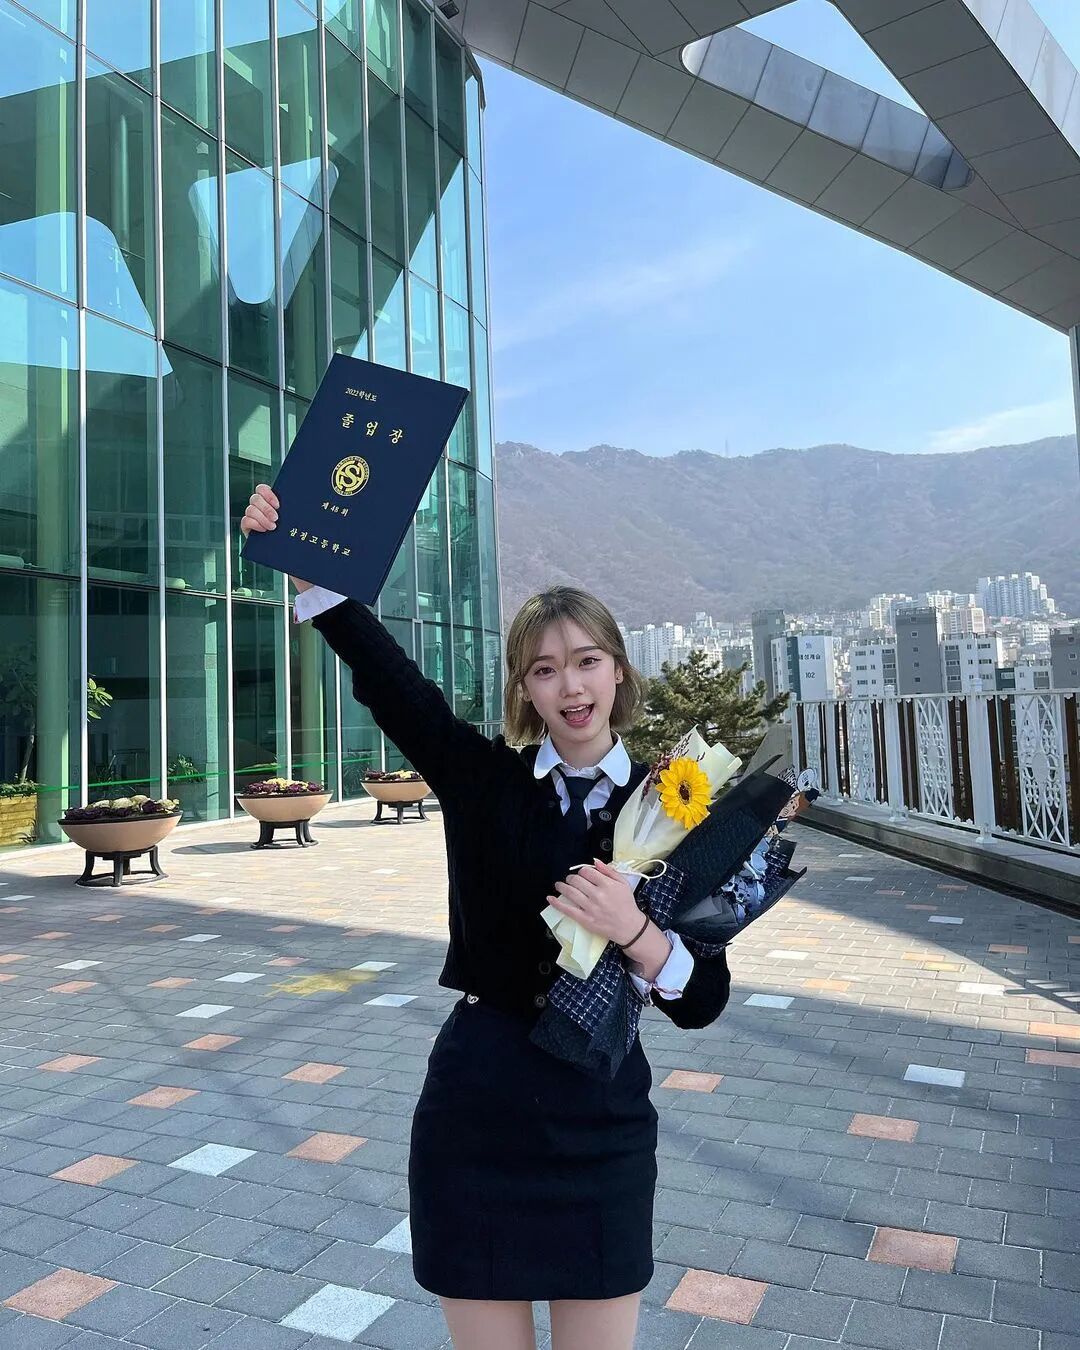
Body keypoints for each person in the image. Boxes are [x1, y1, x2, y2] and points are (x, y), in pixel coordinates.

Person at [240, 484, 733, 1350]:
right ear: (525, 689)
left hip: (602, 1119)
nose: (569, 685)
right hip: (478, 1110)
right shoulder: (484, 780)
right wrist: (308, 563)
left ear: (618, 669)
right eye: (544, 670)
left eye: (586, 661)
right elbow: (399, 691)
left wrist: (636, 931)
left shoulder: (679, 805)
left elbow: (703, 999)